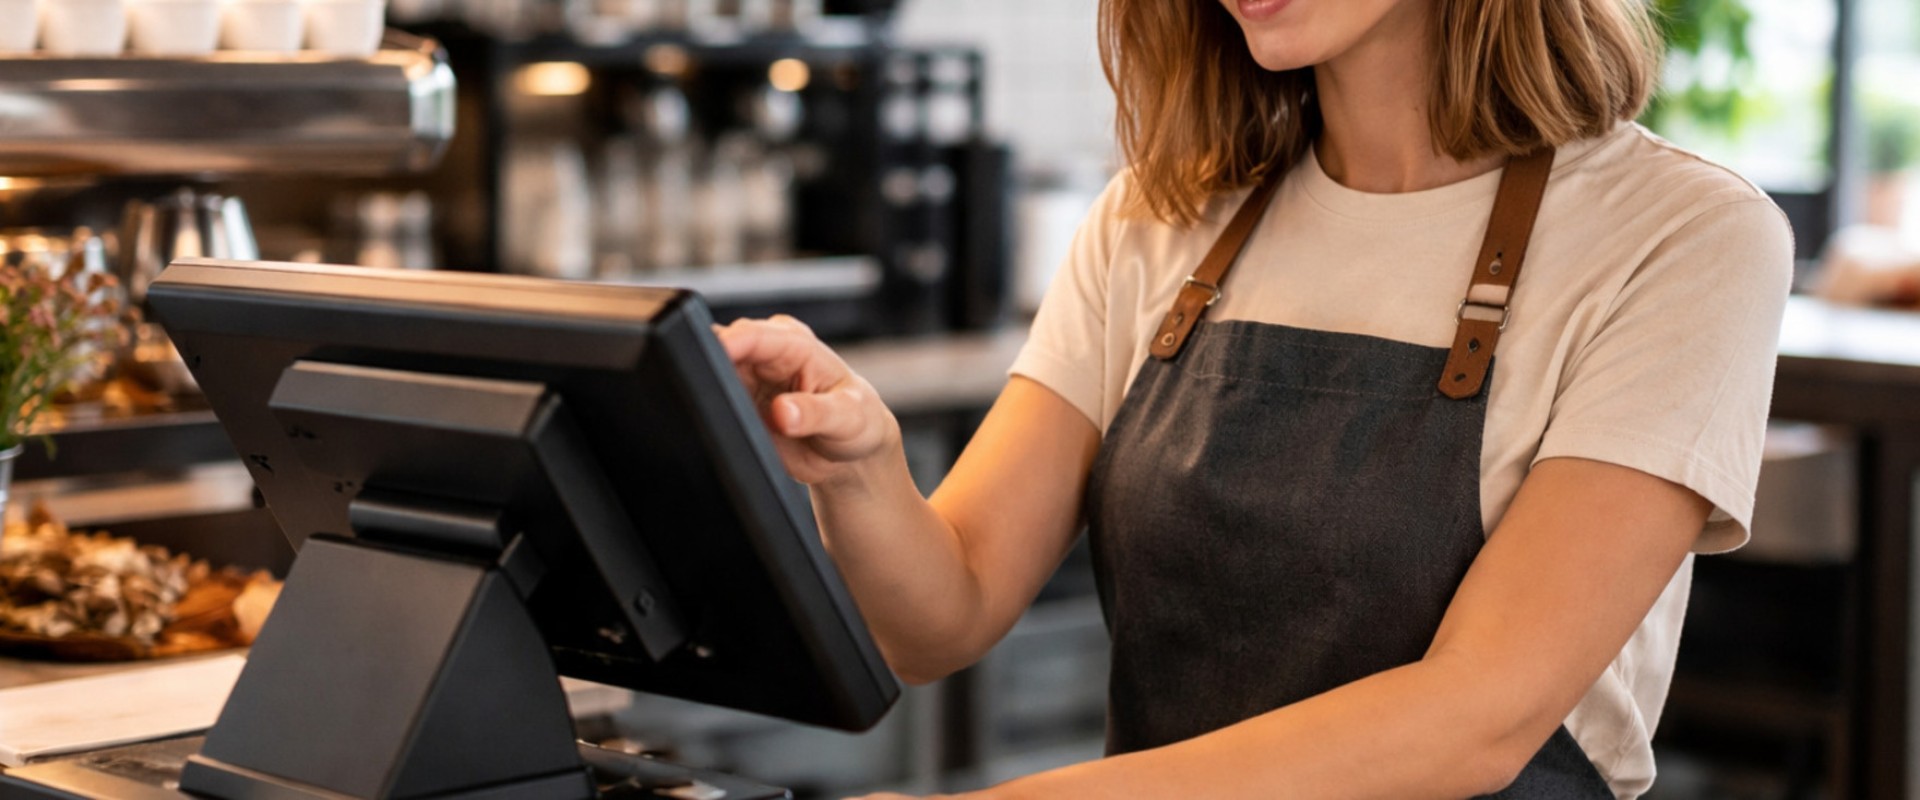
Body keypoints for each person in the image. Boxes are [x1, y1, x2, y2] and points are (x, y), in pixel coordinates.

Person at [717, 0, 1792, 796]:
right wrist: (859, 468)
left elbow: (1479, 713)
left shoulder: (1681, 237)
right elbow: (940, 615)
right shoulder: (1160, 215)